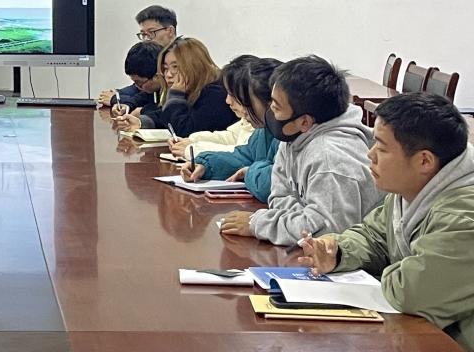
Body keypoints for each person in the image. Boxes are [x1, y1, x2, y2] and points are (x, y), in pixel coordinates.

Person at [299, 93, 474, 350]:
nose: (370, 154)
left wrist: (392, 270)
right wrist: (338, 251)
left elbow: (414, 292)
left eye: (381, 148)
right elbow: (374, 235)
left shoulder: (463, 216)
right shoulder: (412, 189)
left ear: (424, 161)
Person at [218, 55, 383, 245]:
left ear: (305, 121)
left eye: (276, 107)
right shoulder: (293, 137)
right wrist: (302, 218)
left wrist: (259, 224)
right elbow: (278, 196)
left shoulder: (329, 159)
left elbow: (328, 233)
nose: (270, 112)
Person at [181, 57, 282, 202]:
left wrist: (250, 172)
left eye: (239, 97)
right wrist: (205, 165)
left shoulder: (289, 134)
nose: (228, 101)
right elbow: (242, 156)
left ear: (270, 100)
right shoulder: (264, 131)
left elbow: (275, 181)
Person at [115, 37, 236, 136]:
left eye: (175, 67)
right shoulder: (192, 88)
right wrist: (141, 122)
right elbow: (167, 116)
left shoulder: (217, 92)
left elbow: (184, 130)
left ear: (196, 66)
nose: (168, 75)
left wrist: (176, 95)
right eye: (165, 68)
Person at [168, 54, 257, 156]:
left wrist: (194, 149)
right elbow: (232, 137)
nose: (228, 101)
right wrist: (192, 140)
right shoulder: (248, 118)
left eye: (233, 94)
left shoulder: (213, 93)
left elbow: (244, 154)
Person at [96, 41, 163, 113]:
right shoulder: (153, 90)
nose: (137, 87)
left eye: (139, 83)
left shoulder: (170, 92)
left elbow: (162, 110)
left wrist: (141, 111)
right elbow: (140, 98)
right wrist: (127, 106)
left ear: (157, 77)